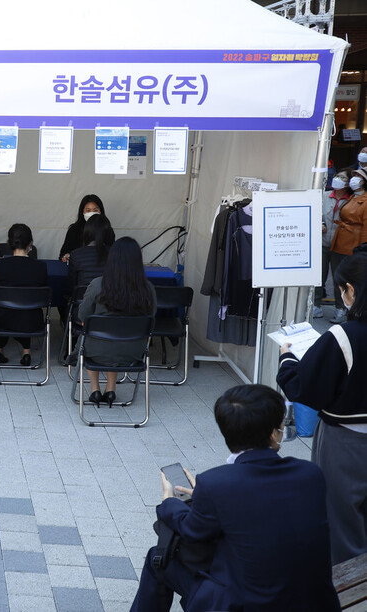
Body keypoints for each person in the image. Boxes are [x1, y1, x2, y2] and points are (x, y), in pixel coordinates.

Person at [130, 384, 340, 612]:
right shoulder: (311, 474)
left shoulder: (216, 483)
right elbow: (265, 504)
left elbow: (192, 532)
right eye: (282, 425)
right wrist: (206, 497)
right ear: (273, 434)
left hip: (246, 604)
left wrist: (169, 502)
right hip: (313, 602)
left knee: (158, 558)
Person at [277, 252, 367, 564]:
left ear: (352, 291)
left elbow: (304, 386)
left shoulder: (345, 334)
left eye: (342, 290)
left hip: (346, 442)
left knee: (342, 524)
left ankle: (347, 595)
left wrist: (287, 357)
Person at [78, 237, 156, 406]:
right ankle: (111, 389)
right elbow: (152, 319)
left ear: (111, 258)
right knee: (113, 336)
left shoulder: (98, 284)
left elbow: (83, 315)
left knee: (90, 333)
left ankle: (95, 389)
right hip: (134, 351)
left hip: (97, 350)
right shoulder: (147, 288)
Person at [0, 223, 48, 366]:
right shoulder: (40, 267)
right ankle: (26, 352)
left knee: (5, 309)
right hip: (32, 321)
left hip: (2, 320)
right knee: (26, 308)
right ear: (30, 243)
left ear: (9, 243)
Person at [329, 169, 367, 323]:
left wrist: (363, 248)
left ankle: (350, 310)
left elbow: (365, 227)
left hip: (354, 242)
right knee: (338, 275)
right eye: (354, 176)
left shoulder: (364, 199)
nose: (354, 179)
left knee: (351, 279)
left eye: (358, 176)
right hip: (341, 239)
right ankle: (340, 308)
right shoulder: (352, 197)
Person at [317, 171, 351, 318]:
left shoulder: (352, 199)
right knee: (318, 276)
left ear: (348, 182)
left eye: (343, 177)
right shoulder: (325, 195)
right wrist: (321, 223)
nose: (338, 179)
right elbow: (317, 212)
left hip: (340, 244)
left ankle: (340, 308)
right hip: (322, 242)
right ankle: (316, 305)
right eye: (337, 176)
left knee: (339, 278)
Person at [67, 214, 114, 297]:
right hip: (108, 304)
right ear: (108, 232)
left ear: (87, 232)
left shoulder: (75, 255)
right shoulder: (115, 253)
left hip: (81, 304)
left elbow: (71, 287)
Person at [59, 194, 114, 262]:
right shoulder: (74, 230)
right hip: (80, 266)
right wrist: (65, 256)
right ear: (82, 212)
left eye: (95, 210)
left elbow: (112, 251)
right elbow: (63, 254)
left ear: (100, 211)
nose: (92, 213)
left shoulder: (107, 229)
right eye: (88, 210)